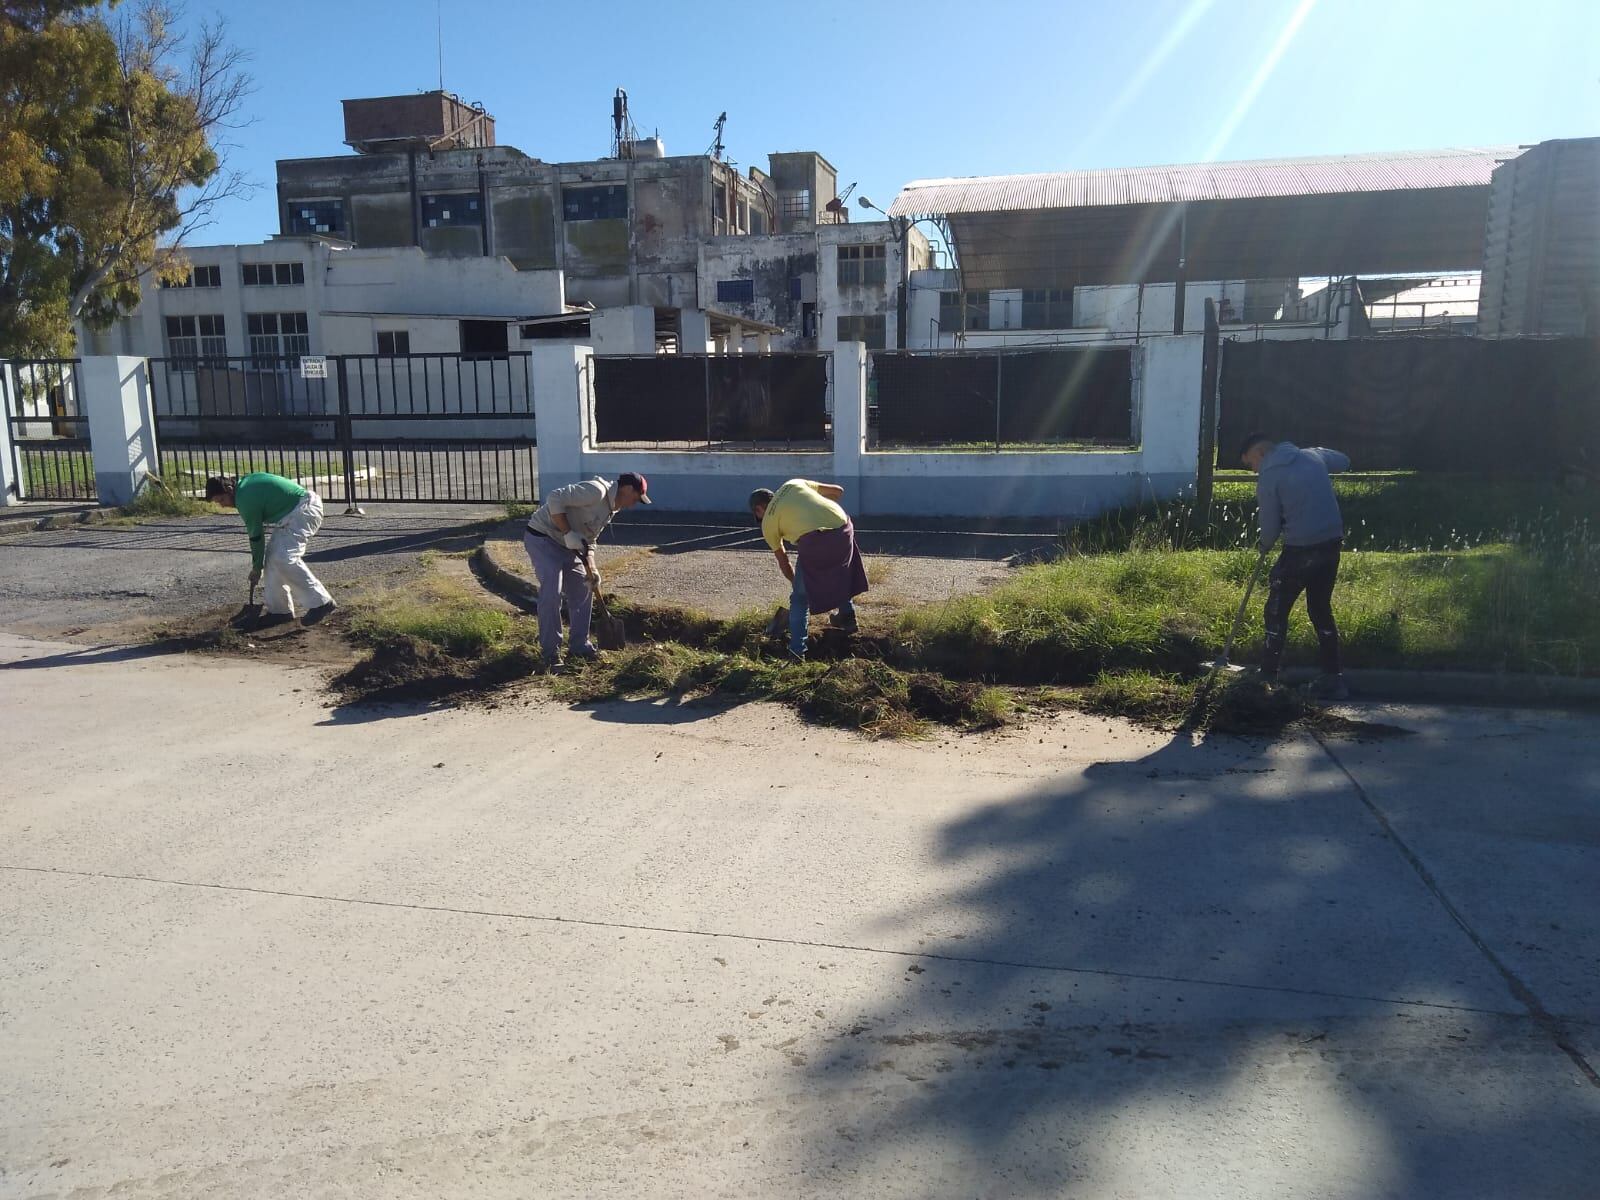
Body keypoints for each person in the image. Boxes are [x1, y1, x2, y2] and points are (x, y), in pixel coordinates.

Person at [1239, 432, 1351, 699]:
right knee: (1320, 609)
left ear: (1261, 453)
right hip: (1331, 544)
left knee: (1276, 610)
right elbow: (1344, 460)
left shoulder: (1270, 475)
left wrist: (1265, 544)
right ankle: (1333, 678)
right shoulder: (1313, 456)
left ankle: (1268, 675)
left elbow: (1269, 524)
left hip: (1301, 549)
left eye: (1250, 462)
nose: (1253, 470)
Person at [523, 472, 650, 668]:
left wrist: (592, 566)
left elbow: (590, 539)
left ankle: (579, 646)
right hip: (543, 538)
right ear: (626, 489)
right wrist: (567, 532)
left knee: (584, 588)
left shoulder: (611, 508)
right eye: (635, 498)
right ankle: (551, 654)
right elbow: (554, 498)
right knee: (552, 593)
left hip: (570, 545)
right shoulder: (596, 491)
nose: (633, 504)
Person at [750, 479, 868, 661]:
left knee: (799, 600)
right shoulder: (793, 484)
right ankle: (848, 618)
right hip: (843, 528)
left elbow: (783, 562)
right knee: (840, 572)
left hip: (815, 541)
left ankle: (797, 652)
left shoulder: (768, 523)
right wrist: (816, 511)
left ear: (758, 509)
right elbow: (837, 491)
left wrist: (797, 585)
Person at [205, 473, 335, 629]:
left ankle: (322, 603)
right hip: (293, 513)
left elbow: (256, 537)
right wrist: (259, 565)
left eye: (221, 500)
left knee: (284, 557)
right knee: (273, 558)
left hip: (303, 510)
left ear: (230, 489)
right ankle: (279, 612)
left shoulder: (245, 499)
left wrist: (256, 568)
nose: (222, 505)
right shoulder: (244, 487)